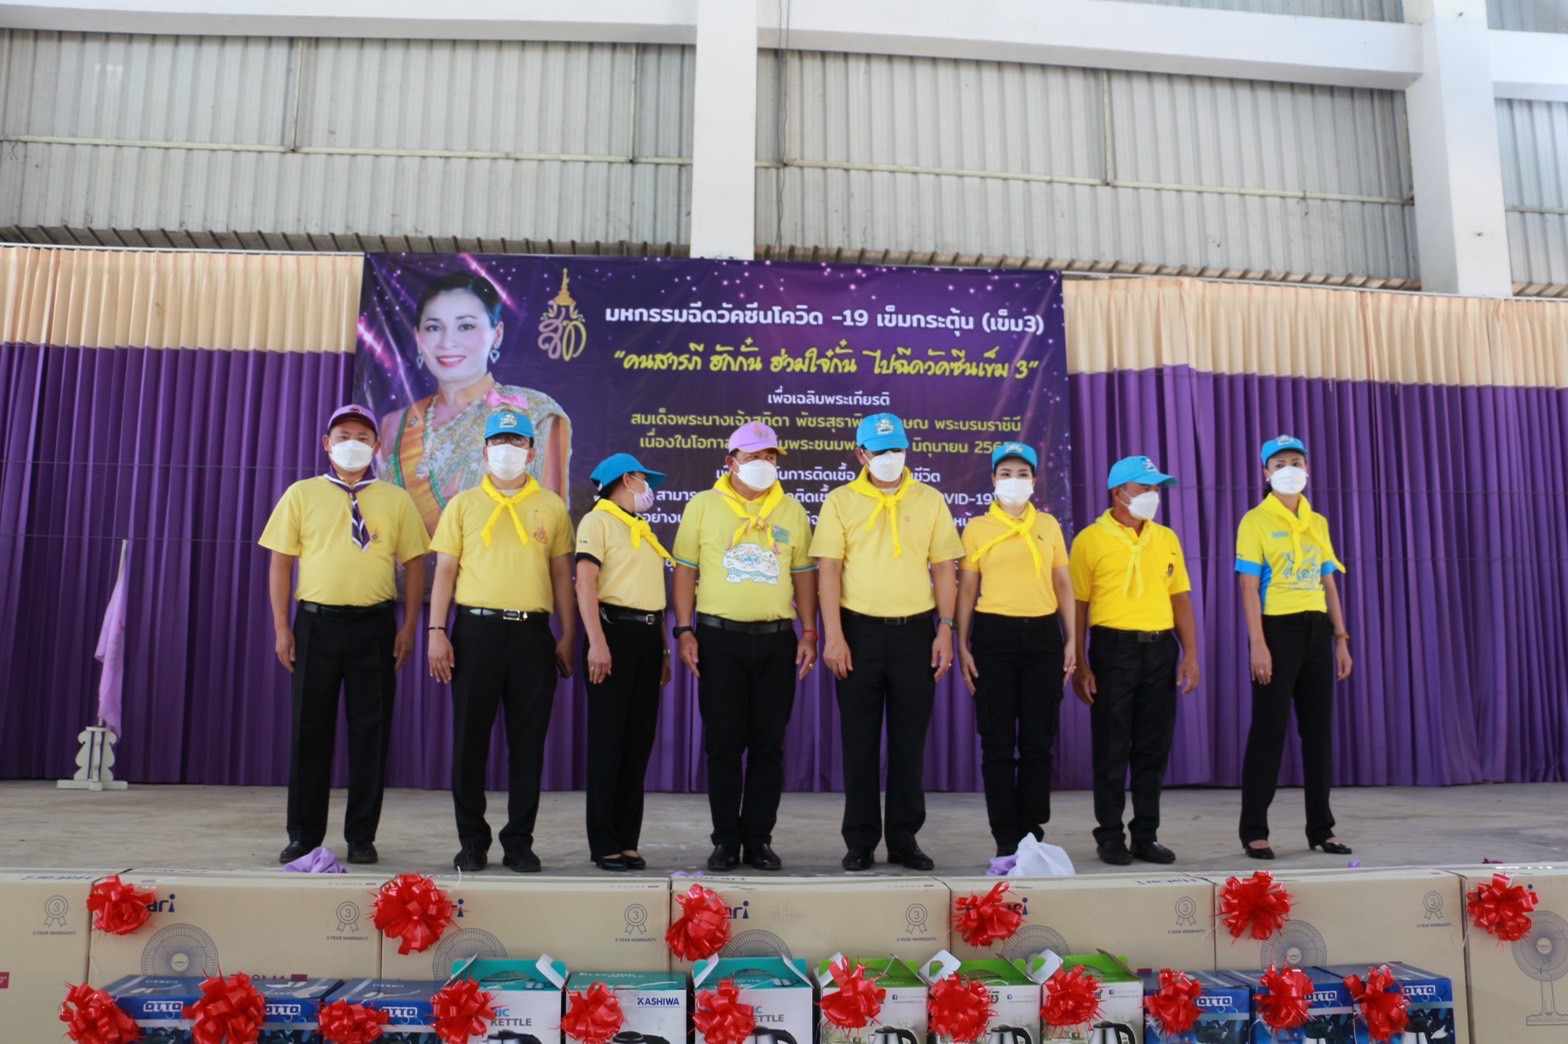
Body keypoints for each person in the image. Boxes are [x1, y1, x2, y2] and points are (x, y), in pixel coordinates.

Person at [260, 404, 428, 866]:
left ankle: (361, 835)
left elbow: (416, 565)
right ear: (327, 444)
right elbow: (280, 563)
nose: (352, 443)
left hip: (374, 627)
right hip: (315, 625)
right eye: (343, 435)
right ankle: (303, 835)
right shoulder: (301, 494)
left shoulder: (395, 499)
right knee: (308, 731)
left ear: (377, 446)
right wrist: (281, 628)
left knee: (371, 731)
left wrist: (409, 627)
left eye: (362, 436)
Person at [810, 412, 963, 872]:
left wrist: (945, 628)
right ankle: (860, 840)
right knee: (858, 743)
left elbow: (944, 568)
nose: (891, 457)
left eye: (897, 448)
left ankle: (904, 839)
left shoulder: (930, 499)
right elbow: (828, 570)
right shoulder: (840, 501)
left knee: (908, 743)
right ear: (861, 454)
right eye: (880, 451)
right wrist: (834, 636)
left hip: (916, 632)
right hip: (857, 633)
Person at [427, 404, 575, 872]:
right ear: (484, 450)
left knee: (528, 744)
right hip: (476, 632)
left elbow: (561, 575)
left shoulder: (551, 506)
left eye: (516, 442)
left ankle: (519, 842)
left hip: (532, 633)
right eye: (498, 441)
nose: (506, 449)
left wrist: (568, 633)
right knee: (469, 742)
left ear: (531, 451)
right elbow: (445, 571)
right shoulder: (463, 504)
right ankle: (472, 840)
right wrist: (436, 631)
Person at [672, 422, 818, 872]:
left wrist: (809, 632)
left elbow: (803, 576)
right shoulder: (703, 506)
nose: (764, 464)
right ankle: (725, 840)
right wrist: (684, 630)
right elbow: (685, 571)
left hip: (776, 641)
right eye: (754, 456)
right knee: (723, 745)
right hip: (719, 639)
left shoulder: (791, 510)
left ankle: (758, 840)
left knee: (768, 747)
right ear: (730, 461)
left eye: (770, 457)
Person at [1070, 455, 1200, 866]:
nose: (1152, 495)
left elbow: (1180, 598)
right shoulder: (1090, 539)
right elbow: (1078, 604)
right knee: (1112, 746)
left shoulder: (1166, 537)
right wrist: (1080, 663)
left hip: (1160, 648)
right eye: (1144, 488)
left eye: (1155, 488)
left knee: (1152, 747)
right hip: (1113, 649)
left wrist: (1191, 654)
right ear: (1118, 493)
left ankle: (1145, 834)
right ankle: (1110, 834)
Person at [378, 270, 572, 533]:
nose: (447, 342)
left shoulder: (534, 412)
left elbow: (550, 525)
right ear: (418, 337)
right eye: (434, 327)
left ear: (497, 334)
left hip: (497, 557)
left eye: (466, 326)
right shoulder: (395, 424)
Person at [1236, 434, 1354, 859]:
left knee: (1318, 732)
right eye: (1280, 464)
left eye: (1296, 462)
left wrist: (1340, 638)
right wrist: (1258, 643)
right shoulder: (1255, 520)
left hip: (1316, 629)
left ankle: (1322, 828)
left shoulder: (1316, 521)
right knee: (1269, 730)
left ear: (1307, 469)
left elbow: (1328, 582)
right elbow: (1248, 586)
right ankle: (1254, 830)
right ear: (1266, 473)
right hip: (1277, 630)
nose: (1289, 470)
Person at [956, 442, 1076, 859]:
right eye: (1005, 473)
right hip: (994, 637)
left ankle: (1032, 829)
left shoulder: (1048, 525)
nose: (1014, 481)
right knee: (998, 741)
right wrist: (962, 643)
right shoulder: (977, 528)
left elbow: (1063, 584)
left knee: (1038, 741)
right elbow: (967, 590)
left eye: (1022, 474)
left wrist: (1071, 638)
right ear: (993, 479)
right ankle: (1006, 833)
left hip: (1043, 637)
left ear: (1035, 480)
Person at [575, 453, 674, 872]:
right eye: (641, 478)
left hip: (647, 637)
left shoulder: (641, 527)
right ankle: (604, 843)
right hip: (612, 632)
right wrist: (597, 642)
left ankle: (627, 839)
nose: (647, 487)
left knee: (637, 742)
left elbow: (652, 593)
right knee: (608, 742)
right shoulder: (597, 521)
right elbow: (586, 584)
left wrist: (663, 648)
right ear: (625, 479)